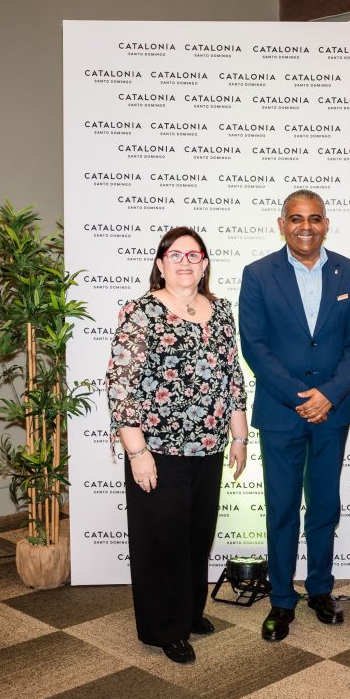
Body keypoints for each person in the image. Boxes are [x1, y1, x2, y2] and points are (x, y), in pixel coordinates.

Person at [107, 226, 248, 664]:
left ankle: (188, 612)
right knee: (162, 541)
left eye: (194, 255)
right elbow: (120, 385)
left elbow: (232, 377)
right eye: (176, 254)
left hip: (207, 448)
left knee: (195, 537)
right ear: (160, 263)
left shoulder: (221, 310)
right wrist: (137, 451)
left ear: (204, 263)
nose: (185, 262)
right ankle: (164, 628)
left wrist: (238, 435)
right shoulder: (141, 312)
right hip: (158, 450)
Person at [239, 189, 350, 643]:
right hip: (281, 413)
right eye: (296, 218)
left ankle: (319, 589)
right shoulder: (257, 275)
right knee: (281, 509)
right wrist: (301, 396)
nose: (305, 226)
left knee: (325, 507)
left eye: (314, 218)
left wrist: (329, 395)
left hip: (331, 414)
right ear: (282, 224)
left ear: (326, 223)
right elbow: (254, 346)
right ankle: (280, 599)